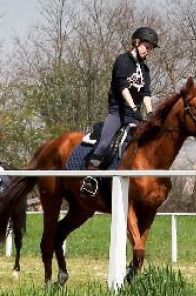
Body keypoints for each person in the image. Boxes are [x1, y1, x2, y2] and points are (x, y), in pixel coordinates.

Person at [82, 26, 159, 196]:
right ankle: (90, 177)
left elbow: (146, 94)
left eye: (151, 49)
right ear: (137, 42)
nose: (149, 52)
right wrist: (132, 106)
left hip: (135, 114)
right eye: (147, 47)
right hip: (118, 112)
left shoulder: (145, 70)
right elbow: (123, 87)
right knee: (105, 141)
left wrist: (151, 113)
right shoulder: (122, 60)